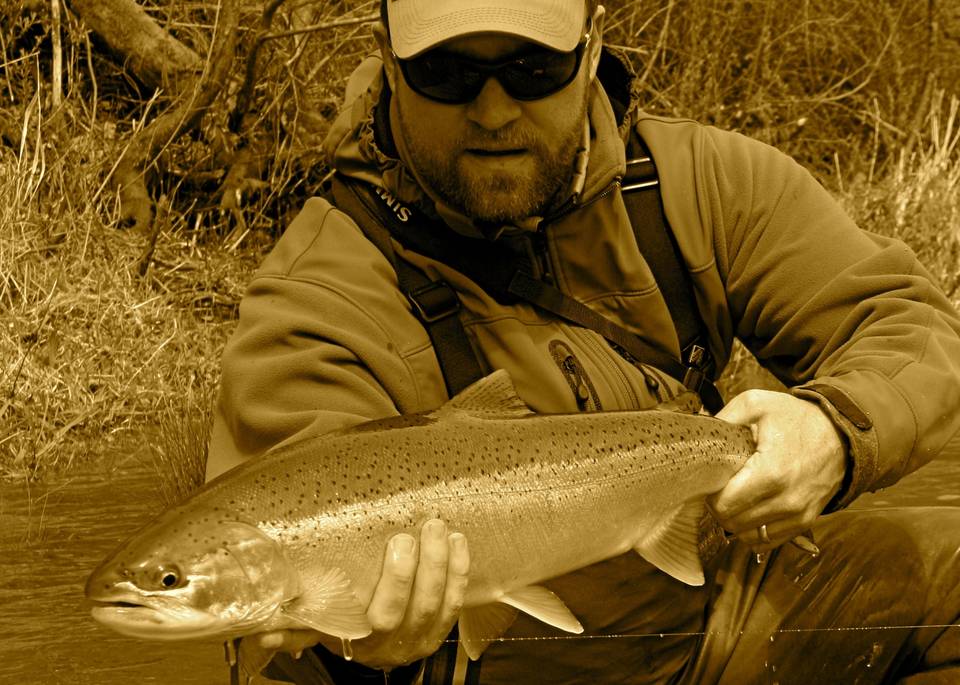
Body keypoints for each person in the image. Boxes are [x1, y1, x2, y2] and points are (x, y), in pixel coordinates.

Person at [205, 0, 960, 682]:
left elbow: (916, 331)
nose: (494, 110)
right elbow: (276, 598)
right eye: (447, 72)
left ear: (592, 50)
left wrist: (833, 428)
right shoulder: (317, 296)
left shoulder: (700, 185)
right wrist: (359, 649)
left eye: (534, 68)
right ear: (390, 64)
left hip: (718, 619)